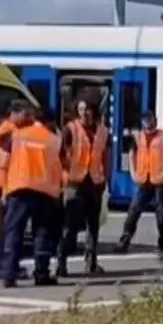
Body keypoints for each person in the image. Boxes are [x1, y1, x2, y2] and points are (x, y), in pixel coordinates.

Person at [0, 105, 65, 287]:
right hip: (44, 192)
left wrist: (4, 190)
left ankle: (8, 274)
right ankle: (41, 273)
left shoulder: (16, 135)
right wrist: (57, 194)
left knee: (14, 232)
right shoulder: (54, 140)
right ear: (50, 122)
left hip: (18, 190)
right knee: (42, 233)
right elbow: (59, 169)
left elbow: (3, 163)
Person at [58, 99, 109, 277]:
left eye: (87, 109)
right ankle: (61, 263)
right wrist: (65, 177)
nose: (84, 113)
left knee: (93, 227)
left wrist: (105, 180)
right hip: (74, 184)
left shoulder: (103, 131)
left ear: (93, 111)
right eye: (81, 109)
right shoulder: (70, 129)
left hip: (94, 184)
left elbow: (106, 156)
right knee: (70, 227)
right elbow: (61, 156)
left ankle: (91, 263)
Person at [117, 109, 163, 257]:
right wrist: (133, 172)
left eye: (150, 119)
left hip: (160, 181)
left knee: (161, 213)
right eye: (145, 119)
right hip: (144, 179)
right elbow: (132, 154)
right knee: (134, 210)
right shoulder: (138, 137)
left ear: (155, 120)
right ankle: (124, 241)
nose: (147, 122)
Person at [0, 101, 29, 282]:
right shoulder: (9, 131)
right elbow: (6, 162)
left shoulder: (7, 129)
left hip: (3, 183)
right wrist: (6, 189)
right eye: (25, 114)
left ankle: (6, 265)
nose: (28, 118)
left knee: (6, 227)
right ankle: (5, 266)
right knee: (8, 229)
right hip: (4, 184)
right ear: (15, 113)